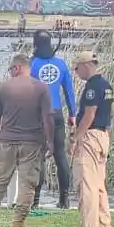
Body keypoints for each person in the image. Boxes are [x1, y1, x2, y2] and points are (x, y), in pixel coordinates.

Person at [0, 54, 54, 227]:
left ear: (17, 67)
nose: (10, 73)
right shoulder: (41, 88)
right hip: (32, 142)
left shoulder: (4, 87)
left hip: (6, 141)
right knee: (27, 183)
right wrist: (50, 141)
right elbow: (47, 118)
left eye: (11, 69)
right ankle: (18, 222)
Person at [29, 30, 76, 209]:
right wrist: (72, 114)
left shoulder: (32, 65)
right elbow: (69, 93)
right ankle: (64, 200)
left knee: (38, 157)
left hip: (39, 115)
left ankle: (35, 201)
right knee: (60, 155)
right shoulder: (61, 65)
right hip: (57, 114)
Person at [70, 51, 113, 227]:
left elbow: (89, 115)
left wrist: (76, 137)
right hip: (103, 135)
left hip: (90, 136)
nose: (76, 72)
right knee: (98, 183)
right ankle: (104, 224)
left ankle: (89, 226)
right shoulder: (106, 86)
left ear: (86, 65)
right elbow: (109, 115)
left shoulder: (92, 87)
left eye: (77, 68)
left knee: (86, 182)